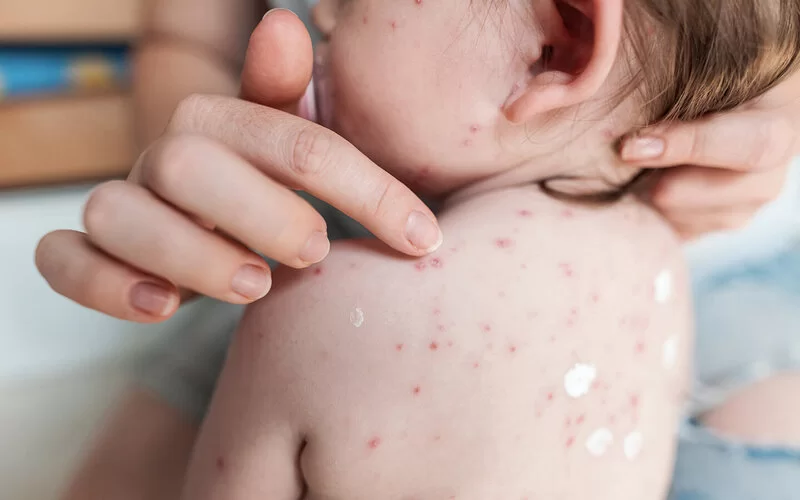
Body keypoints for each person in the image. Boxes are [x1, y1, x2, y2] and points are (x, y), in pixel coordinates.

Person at [40, 0, 800, 499]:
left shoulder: (313, 312)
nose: (319, 12)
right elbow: (185, 33)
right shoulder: (654, 263)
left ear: (552, 45)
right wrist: (201, 191)